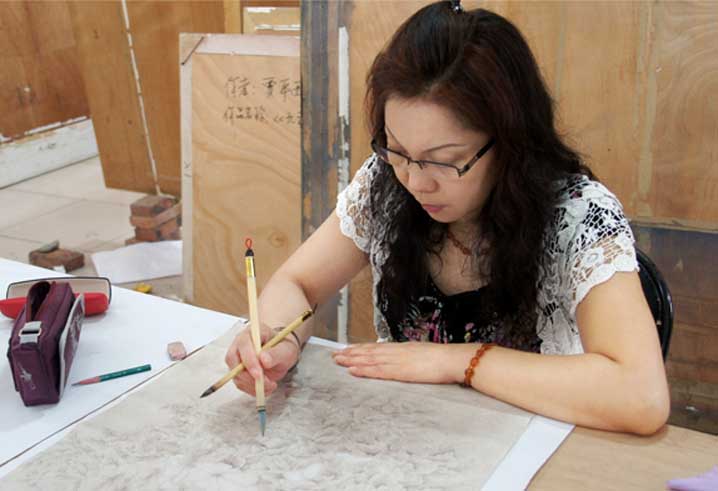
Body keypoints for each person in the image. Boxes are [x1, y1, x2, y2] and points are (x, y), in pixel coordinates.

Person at [225, 0, 669, 435]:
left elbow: (640, 396)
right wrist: (275, 338)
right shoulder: (387, 183)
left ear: (509, 142)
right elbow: (298, 284)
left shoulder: (576, 216)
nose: (417, 182)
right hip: (409, 437)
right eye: (398, 150)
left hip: (528, 445)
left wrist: (458, 362)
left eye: (445, 161)